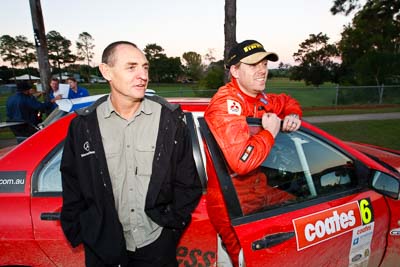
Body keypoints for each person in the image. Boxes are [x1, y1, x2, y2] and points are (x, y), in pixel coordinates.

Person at [60, 41, 202, 267]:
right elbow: (72, 183)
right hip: (104, 249)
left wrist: (171, 226)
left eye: (145, 67)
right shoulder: (84, 126)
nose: (142, 75)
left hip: (156, 244)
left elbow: (188, 182)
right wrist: (87, 230)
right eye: (131, 67)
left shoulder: (169, 120)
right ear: (106, 71)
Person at [204, 39, 303, 266]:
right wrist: (269, 133)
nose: (262, 70)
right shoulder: (226, 103)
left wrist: (293, 115)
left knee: (304, 212)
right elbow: (241, 161)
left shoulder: (261, 98)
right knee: (245, 260)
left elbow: (286, 101)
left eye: (265, 64)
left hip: (260, 192)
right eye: (253, 64)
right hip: (234, 205)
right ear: (235, 71)